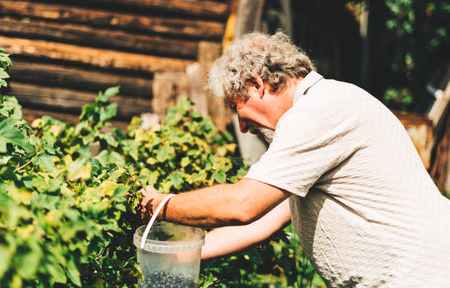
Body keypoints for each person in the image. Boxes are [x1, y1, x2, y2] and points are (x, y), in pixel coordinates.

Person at [140, 32, 450, 287]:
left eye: (238, 109)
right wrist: (176, 255)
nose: (243, 127)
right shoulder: (318, 113)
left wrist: (161, 207)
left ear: (256, 84)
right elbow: (260, 222)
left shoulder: (321, 111)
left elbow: (242, 206)